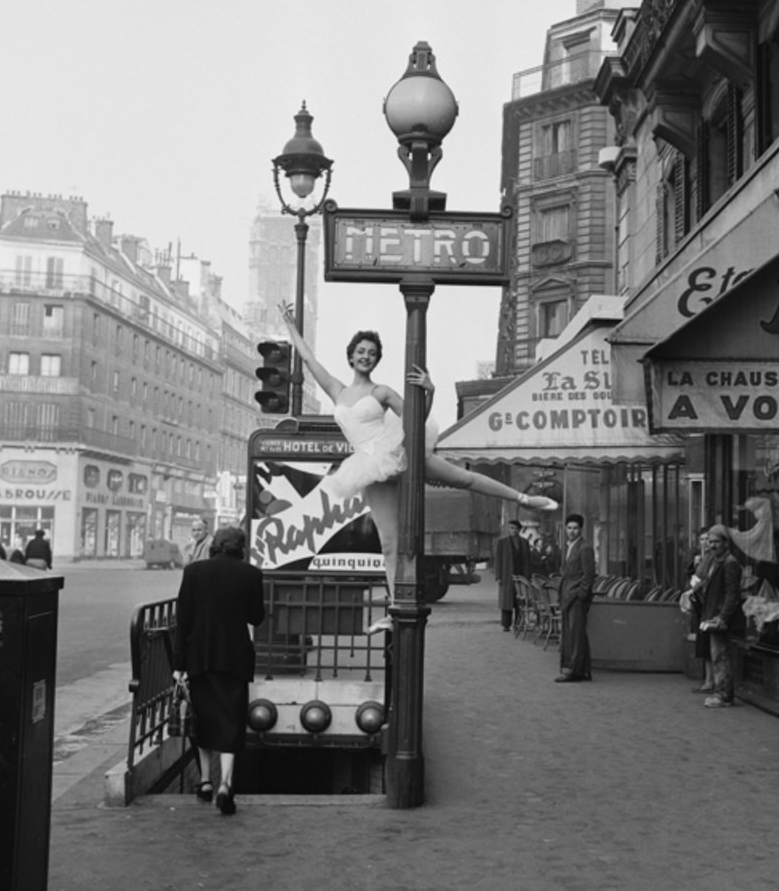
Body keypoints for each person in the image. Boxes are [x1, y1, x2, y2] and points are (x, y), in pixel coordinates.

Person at [280, 303, 558, 630]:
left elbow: (415, 418)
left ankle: (526, 500)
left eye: (371, 352)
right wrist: (291, 327)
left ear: (375, 359)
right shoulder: (337, 391)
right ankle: (395, 609)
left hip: (398, 449)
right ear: (351, 356)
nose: (366, 356)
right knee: (389, 542)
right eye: (361, 351)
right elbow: (311, 362)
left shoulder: (381, 391)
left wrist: (430, 391)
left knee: (464, 478)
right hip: (369, 465)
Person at [173, 526, 265, 816]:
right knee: (231, 720)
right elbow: (256, 617)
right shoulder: (251, 574)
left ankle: (205, 782)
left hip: (200, 656)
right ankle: (226, 783)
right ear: (241, 547)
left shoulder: (194, 572)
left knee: (204, 717)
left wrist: (178, 666)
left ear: (215, 544)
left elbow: (183, 620)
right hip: (235, 658)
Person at [699, 524, 744, 708]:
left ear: (725, 543)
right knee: (717, 654)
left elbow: (731, 593)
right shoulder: (714, 560)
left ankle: (723, 695)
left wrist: (723, 616)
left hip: (720, 616)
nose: (712, 545)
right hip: (713, 613)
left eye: (716, 542)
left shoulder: (729, 563)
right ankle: (722, 692)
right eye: (710, 541)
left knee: (721, 655)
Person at [555, 513, 595, 683]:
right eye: (569, 528)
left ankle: (575, 671)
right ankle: (583, 669)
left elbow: (588, 574)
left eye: (575, 528)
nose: (572, 531)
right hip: (568, 595)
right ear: (565, 529)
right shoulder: (571, 546)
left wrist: (582, 595)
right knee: (574, 634)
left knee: (575, 635)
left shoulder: (584, 548)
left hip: (576, 597)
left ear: (581, 529)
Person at [684, 527, 714, 694]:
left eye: (708, 540)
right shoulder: (700, 559)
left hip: (708, 606)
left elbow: (698, 583)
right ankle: (708, 680)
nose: (705, 543)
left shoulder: (713, 560)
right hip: (701, 606)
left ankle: (711, 681)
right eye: (702, 540)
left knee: (710, 646)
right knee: (704, 646)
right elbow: (692, 580)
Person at [494, 519, 531, 631]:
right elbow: (498, 560)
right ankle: (506, 624)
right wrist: (498, 576)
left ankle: (518, 623)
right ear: (508, 529)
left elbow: (527, 561)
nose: (513, 530)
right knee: (507, 600)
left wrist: (527, 577)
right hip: (507, 575)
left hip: (521, 576)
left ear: (519, 530)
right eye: (511, 528)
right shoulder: (502, 542)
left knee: (520, 600)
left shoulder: (524, 542)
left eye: (515, 528)